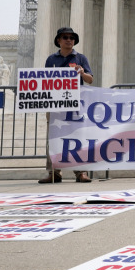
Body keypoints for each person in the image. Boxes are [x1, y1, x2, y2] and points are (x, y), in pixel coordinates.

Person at [38, 27, 94, 184]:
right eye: (65, 37)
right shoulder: (51, 60)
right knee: (53, 140)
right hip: (56, 106)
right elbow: (45, 81)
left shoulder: (80, 58)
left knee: (78, 138)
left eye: (71, 37)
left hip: (75, 104)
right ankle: (54, 172)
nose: (69, 40)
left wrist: (82, 73)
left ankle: (81, 172)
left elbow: (90, 79)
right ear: (58, 41)